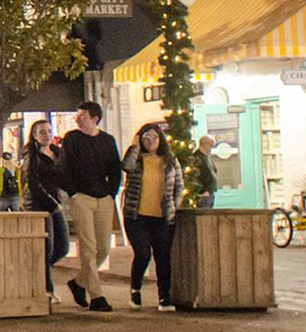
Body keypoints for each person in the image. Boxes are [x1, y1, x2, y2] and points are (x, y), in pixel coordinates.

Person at [61, 101, 123, 312]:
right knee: (88, 248)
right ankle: (97, 296)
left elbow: (116, 168)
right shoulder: (72, 139)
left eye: (82, 116)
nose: (78, 119)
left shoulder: (107, 141)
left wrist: (110, 193)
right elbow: (64, 166)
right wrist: (73, 193)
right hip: (82, 198)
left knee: (103, 248)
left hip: (103, 198)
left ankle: (79, 282)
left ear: (94, 118)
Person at [121, 123, 184, 312]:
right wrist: (135, 147)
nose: (150, 141)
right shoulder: (136, 159)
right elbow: (126, 166)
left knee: (163, 256)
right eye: (146, 137)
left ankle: (164, 296)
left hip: (162, 217)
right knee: (142, 253)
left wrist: (175, 204)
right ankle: (135, 289)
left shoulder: (170, 160)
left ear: (160, 139)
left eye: (154, 137)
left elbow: (179, 185)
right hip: (136, 215)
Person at [22, 120, 69, 303]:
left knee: (63, 246)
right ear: (34, 135)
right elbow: (32, 182)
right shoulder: (32, 156)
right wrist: (50, 203)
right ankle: (47, 290)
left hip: (56, 203)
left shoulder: (57, 153)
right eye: (42, 132)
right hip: (39, 206)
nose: (46, 134)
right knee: (46, 249)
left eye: (49, 131)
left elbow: (62, 177)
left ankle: (40, 273)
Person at [190, 135, 218, 208]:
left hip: (210, 194)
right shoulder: (196, 158)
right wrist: (202, 192)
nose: (212, 148)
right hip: (203, 195)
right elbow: (195, 176)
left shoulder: (207, 157)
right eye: (211, 145)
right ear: (204, 144)